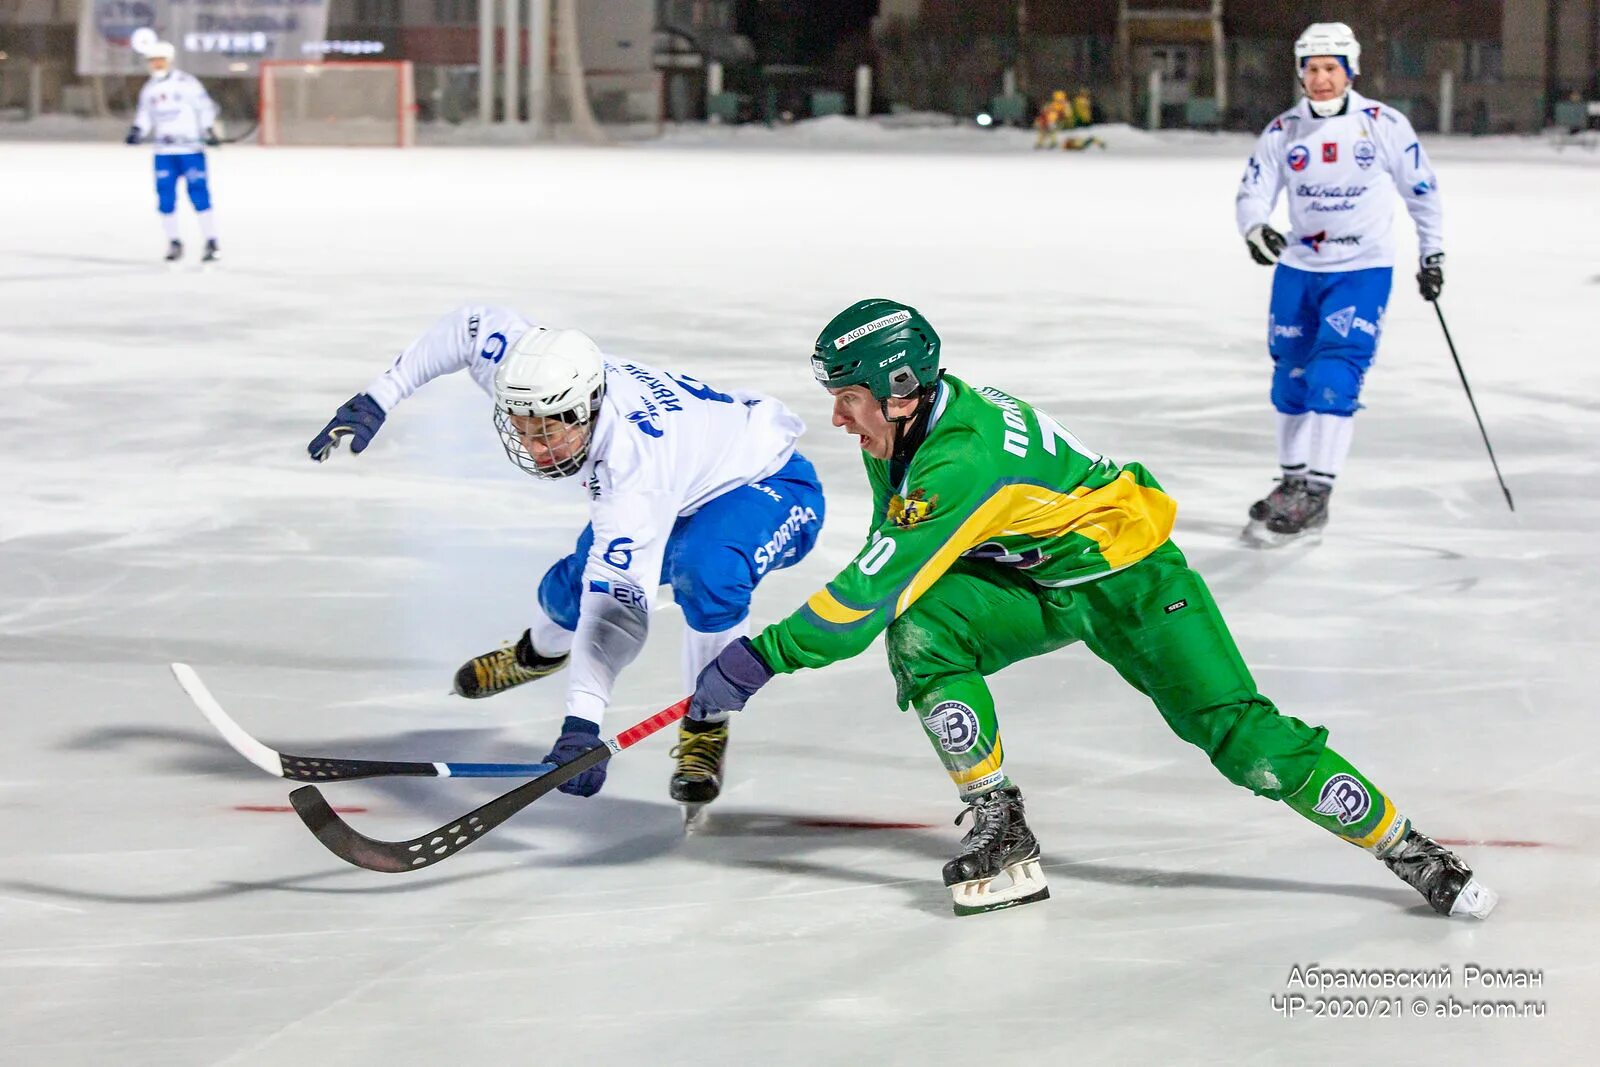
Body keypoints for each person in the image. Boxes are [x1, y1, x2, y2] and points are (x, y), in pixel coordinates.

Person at [684, 298, 1495, 920]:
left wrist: (757, 659)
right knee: (924, 631)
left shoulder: (958, 458)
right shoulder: (902, 437)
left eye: (848, 396)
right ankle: (1000, 823)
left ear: (899, 390)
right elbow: (895, 567)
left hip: (1131, 583)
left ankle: (1405, 846)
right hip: (1034, 582)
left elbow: (860, 598)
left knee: (1239, 736)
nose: (836, 416)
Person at [306, 307, 824, 816]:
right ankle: (537, 653)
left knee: (708, 568)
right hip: (688, 482)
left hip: (770, 484)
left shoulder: (634, 466)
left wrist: (582, 722)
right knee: (574, 582)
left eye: (547, 433)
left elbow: (618, 611)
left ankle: (706, 722)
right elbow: (469, 328)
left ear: (587, 410)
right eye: (521, 428)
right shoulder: (531, 373)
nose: (533, 447)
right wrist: (380, 395)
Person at [1235, 22, 1443, 546]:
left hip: (1361, 269)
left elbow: (1422, 191)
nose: (1322, 79)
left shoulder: (1384, 124)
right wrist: (1256, 228)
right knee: (1290, 378)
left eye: (1332, 68)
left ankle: (1318, 491)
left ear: (1350, 71)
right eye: (1313, 69)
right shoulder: (1284, 131)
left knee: (1335, 372)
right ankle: (1291, 481)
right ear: (1301, 72)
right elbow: (1253, 191)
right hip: (1299, 269)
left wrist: (1432, 251)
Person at [127, 41, 221, 264]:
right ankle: (174, 242)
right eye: (152, 61)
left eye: (160, 60)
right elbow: (145, 114)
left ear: (169, 61)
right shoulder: (149, 88)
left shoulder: (187, 83)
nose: (157, 64)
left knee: (198, 194)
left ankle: (211, 240)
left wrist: (208, 129)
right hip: (164, 152)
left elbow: (205, 108)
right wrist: (137, 130)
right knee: (165, 198)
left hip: (189, 150)